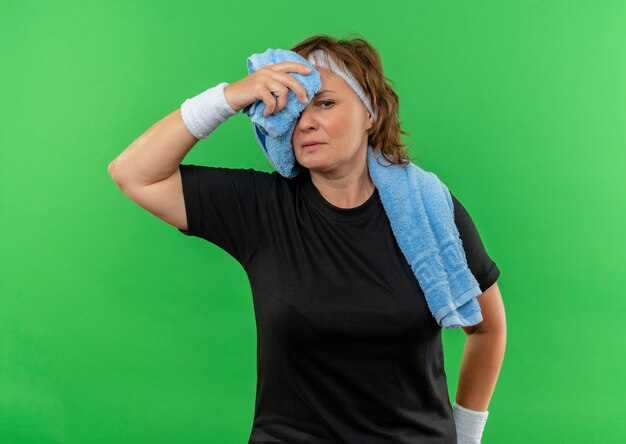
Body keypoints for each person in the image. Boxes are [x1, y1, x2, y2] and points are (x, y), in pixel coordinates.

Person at [108, 34, 506, 444]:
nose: (307, 121)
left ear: (371, 113)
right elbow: (134, 172)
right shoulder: (262, 209)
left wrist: (466, 436)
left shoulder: (428, 210)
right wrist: (229, 97)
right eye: (295, 109)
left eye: (326, 103)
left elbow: (488, 329)